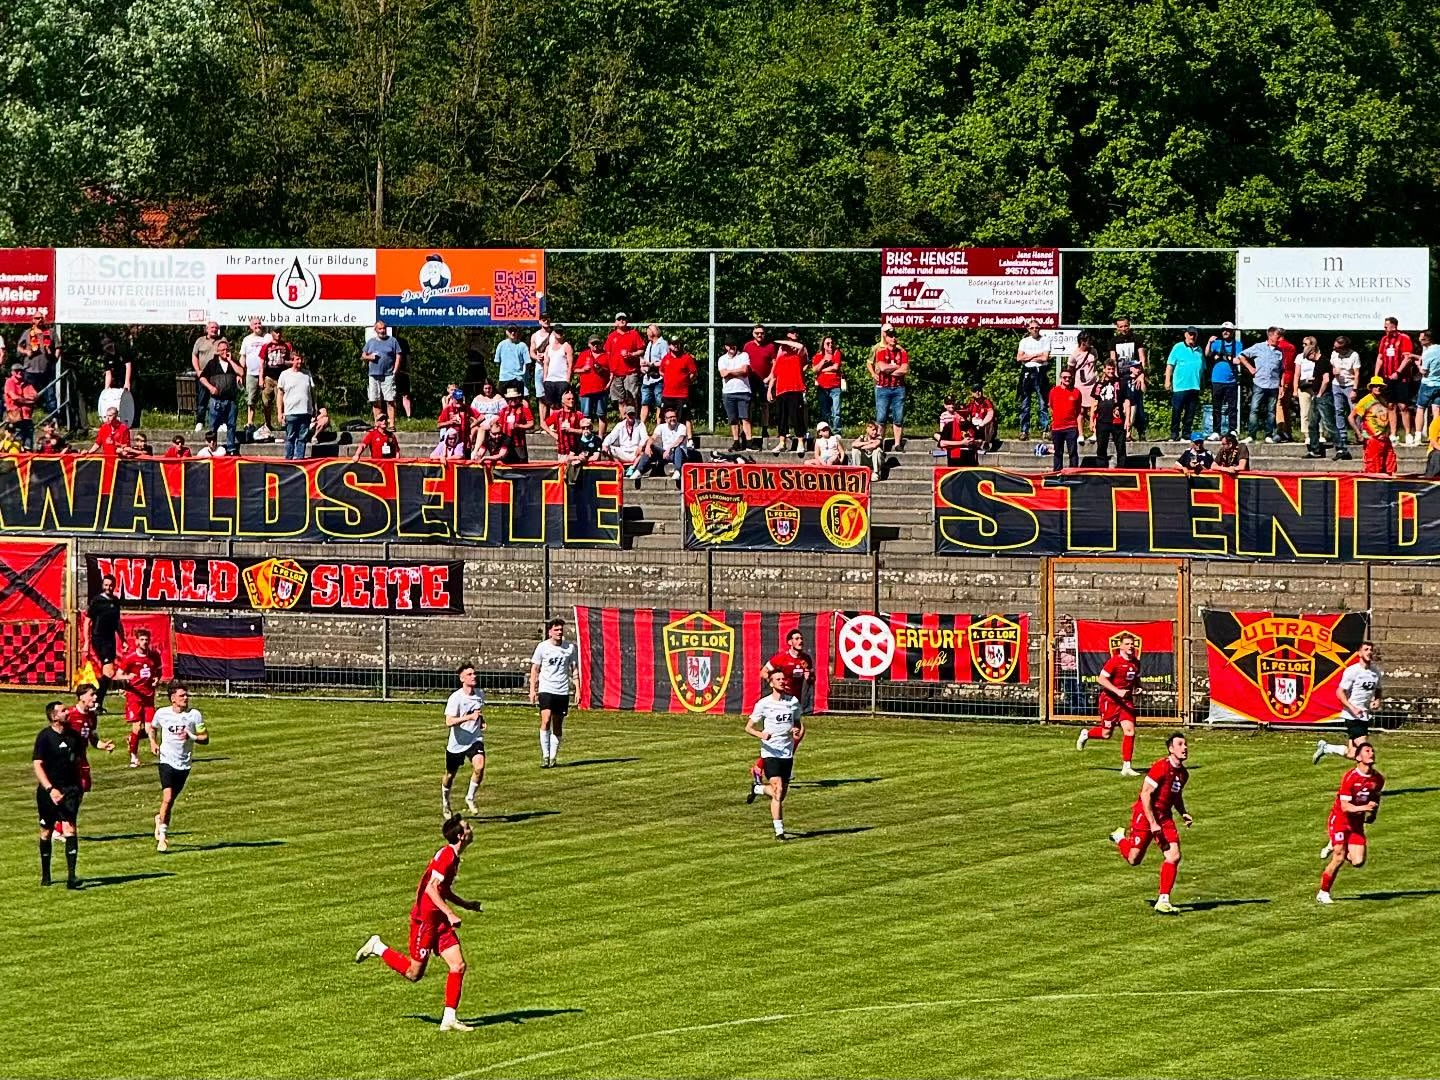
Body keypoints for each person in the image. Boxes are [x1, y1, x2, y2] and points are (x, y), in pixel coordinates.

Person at [354, 815, 483, 1033]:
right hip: (425, 921)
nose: (471, 830)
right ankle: (377, 947)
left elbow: (443, 890)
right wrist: (451, 914)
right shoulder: (447, 857)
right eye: (468, 827)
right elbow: (431, 889)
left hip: (438, 921)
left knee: (458, 965)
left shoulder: (452, 856)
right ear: (461, 836)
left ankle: (449, 1018)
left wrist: (466, 905)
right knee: (414, 974)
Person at [1110, 732, 1192, 914]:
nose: (1184, 748)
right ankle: (1119, 837)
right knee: (1134, 859)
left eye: (1185, 744)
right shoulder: (1160, 767)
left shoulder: (1183, 774)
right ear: (1171, 749)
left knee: (1174, 856)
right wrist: (1152, 823)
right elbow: (1145, 794)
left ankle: (1163, 900)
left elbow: (1175, 795)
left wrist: (1183, 813)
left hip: (1164, 817)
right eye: (1180, 744)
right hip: (1145, 815)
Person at [1316, 742, 1384, 904]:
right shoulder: (1350, 777)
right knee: (1338, 857)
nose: (1371, 753)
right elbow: (1345, 807)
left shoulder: (1378, 779)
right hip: (1339, 820)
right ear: (1359, 757)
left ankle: (1336, 844)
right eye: (1367, 751)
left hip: (1356, 824)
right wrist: (1365, 807)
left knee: (1358, 862)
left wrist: (1373, 813)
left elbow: (1375, 796)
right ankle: (1323, 892)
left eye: (1372, 750)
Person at [744, 669, 805, 840]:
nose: (782, 681)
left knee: (781, 794)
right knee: (777, 791)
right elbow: (748, 727)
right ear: (771, 683)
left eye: (783, 679)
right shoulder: (764, 704)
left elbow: (798, 723)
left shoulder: (793, 702)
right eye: (778, 679)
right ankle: (780, 832)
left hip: (786, 753)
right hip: (770, 752)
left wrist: (795, 730)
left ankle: (758, 788)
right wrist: (761, 735)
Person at [149, 683, 209, 853]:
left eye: (186, 695)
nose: (186, 698)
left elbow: (205, 738)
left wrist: (192, 736)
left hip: (184, 763)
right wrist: (153, 742)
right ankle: (162, 837)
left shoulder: (194, 715)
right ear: (173, 698)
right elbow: (152, 727)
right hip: (166, 760)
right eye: (182, 695)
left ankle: (159, 819)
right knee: (167, 798)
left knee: (170, 801)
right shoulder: (162, 713)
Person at [33, 701, 84, 888]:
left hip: (69, 790)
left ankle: (72, 877)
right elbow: (37, 765)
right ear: (54, 717)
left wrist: (78, 789)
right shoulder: (44, 737)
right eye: (63, 711)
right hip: (48, 792)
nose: (68, 712)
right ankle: (46, 875)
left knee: (70, 828)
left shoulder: (73, 737)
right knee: (46, 831)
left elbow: (78, 761)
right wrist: (50, 789)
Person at [1075, 632, 1140, 776]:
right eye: (1127, 644)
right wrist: (1117, 691)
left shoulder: (1135, 662)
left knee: (1130, 731)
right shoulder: (1114, 662)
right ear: (1121, 646)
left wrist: (1138, 687)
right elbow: (1101, 679)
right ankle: (1086, 734)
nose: (1131, 647)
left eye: (1132, 644)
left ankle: (1126, 766)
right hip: (1110, 701)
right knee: (1106, 734)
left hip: (1126, 702)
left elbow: (1135, 678)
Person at [1314, 641, 1381, 763]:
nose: (1369, 652)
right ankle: (1366, 778)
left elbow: (1378, 689)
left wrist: (1377, 700)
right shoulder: (1352, 671)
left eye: (1371, 650)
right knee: (1365, 750)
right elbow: (1340, 692)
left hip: (1364, 715)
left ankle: (1326, 748)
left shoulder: (1375, 672)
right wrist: (1352, 708)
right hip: (1352, 716)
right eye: (1366, 649)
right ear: (1359, 653)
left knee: (1353, 754)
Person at [530, 617, 579, 768]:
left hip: (562, 690)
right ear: (550, 632)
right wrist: (533, 690)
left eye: (561, 630)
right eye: (556, 630)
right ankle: (545, 756)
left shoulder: (570, 648)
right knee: (545, 720)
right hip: (546, 689)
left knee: (557, 725)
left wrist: (578, 689)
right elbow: (535, 669)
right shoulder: (542, 647)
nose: (559, 632)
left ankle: (553, 757)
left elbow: (574, 669)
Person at [442, 664, 486, 819]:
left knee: (479, 767)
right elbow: (449, 721)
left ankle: (470, 797)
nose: (473, 676)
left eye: (474, 674)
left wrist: (481, 721)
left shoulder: (480, 694)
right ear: (462, 679)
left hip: (474, 739)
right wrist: (469, 718)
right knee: (449, 775)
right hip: (457, 744)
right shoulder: (456, 698)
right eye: (469, 674)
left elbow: (477, 714)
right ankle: (446, 803)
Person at [115, 627, 162, 768]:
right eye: (142, 639)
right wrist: (126, 677)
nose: (145, 642)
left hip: (148, 696)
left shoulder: (154, 655)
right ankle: (134, 756)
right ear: (136, 641)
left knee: (151, 727)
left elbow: (158, 672)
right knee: (137, 727)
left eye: (147, 640)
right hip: (134, 696)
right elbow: (118, 675)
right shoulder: (130, 658)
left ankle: (136, 740)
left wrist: (156, 680)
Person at [65, 683, 115, 807]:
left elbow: (92, 737)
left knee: (81, 792)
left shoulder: (91, 716)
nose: (95, 698)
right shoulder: (69, 715)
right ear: (81, 697)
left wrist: (101, 745)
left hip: (82, 760)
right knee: (68, 794)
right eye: (91, 695)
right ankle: (62, 824)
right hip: (68, 761)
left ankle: (68, 822)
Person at [1239, 327, 1286, 443]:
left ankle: (1268, 435)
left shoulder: (1280, 352)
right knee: (1255, 409)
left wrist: (1282, 385)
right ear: (1270, 336)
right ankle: (1251, 435)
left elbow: (1282, 370)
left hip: (1273, 385)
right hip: (1259, 383)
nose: (1279, 339)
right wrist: (1250, 368)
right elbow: (1241, 355)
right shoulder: (1258, 347)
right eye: (1277, 336)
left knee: (1271, 411)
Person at [1376, 316, 1417, 445]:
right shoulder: (1384, 340)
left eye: (1386, 327)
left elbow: (1408, 358)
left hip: (1401, 378)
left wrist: (1398, 372)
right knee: (1390, 405)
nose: (1385, 329)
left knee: (1403, 405)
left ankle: (1408, 433)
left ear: (1393, 326)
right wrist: (1376, 375)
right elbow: (1380, 357)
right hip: (1388, 377)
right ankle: (1393, 434)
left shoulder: (1404, 338)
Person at [768, 329, 809, 454]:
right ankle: (782, 443)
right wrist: (770, 390)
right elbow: (774, 376)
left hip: (795, 389)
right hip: (781, 390)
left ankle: (801, 443)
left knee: (796, 416)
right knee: (782, 418)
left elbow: (801, 346)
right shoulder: (781, 359)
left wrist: (785, 341)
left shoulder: (798, 356)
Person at [86, 574, 123, 712]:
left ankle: (94, 702)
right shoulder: (96, 601)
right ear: (103, 585)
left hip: (110, 639)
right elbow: (87, 621)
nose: (109, 587)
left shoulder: (116, 601)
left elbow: (118, 623)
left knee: (107, 673)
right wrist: (86, 642)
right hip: (99, 638)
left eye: (111, 585)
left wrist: (123, 639)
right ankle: (94, 701)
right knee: (109, 671)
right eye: (106, 585)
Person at [634, 407, 696, 489]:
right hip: (665, 454)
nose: (672, 419)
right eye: (670, 417)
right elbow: (652, 438)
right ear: (665, 419)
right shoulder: (661, 427)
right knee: (650, 448)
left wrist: (669, 449)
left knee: (677, 448)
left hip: (679, 455)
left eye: (674, 416)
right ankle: (639, 471)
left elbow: (680, 440)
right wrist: (648, 446)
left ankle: (678, 471)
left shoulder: (682, 427)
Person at [869, 326, 909, 450]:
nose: (893, 338)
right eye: (890, 336)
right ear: (886, 337)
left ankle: (897, 444)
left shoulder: (902, 352)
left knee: (898, 417)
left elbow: (905, 369)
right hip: (883, 388)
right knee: (881, 417)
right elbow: (881, 367)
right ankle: (879, 442)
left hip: (898, 388)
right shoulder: (880, 351)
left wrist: (890, 369)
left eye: (894, 335)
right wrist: (896, 367)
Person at [200, 338, 242, 454]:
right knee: (213, 426)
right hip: (216, 400)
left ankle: (231, 448)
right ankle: (212, 448)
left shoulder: (233, 362)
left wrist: (231, 361)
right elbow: (202, 377)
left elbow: (241, 372)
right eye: (222, 350)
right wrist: (210, 387)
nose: (225, 352)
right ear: (218, 351)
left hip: (231, 400)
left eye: (227, 349)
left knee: (231, 425)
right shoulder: (212, 363)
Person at [1295, 337, 1334, 459]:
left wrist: (1320, 393)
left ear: (1313, 348)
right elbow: (1297, 373)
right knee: (1309, 418)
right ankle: (1313, 446)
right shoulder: (1303, 358)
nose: (1303, 346)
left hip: (1319, 393)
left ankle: (1341, 447)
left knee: (1327, 422)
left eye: (1306, 344)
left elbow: (1326, 379)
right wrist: (1296, 388)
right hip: (1307, 388)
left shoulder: (1322, 361)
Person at [761, 630, 815, 713]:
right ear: (790, 642)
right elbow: (763, 672)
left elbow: (812, 678)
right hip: (783, 697)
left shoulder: (806, 658)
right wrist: (773, 683)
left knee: (796, 723)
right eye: (797, 639)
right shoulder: (781, 658)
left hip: (798, 698)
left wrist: (809, 678)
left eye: (801, 639)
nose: (800, 641)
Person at [1205, 322, 1243, 439]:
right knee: (1217, 406)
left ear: (1232, 332)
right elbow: (1207, 354)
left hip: (1231, 380)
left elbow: (1238, 359)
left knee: (1232, 407)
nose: (1225, 332)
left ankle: (1232, 430)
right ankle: (1216, 431)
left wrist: (1225, 357)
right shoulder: (1216, 343)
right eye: (1223, 330)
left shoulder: (1237, 345)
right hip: (1217, 380)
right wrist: (1209, 342)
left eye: (1227, 330)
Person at [276, 350, 316, 460]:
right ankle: (289, 459)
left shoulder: (307, 374)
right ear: (292, 360)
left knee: (302, 438)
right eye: (298, 359)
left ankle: (300, 459)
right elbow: (280, 394)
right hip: (291, 412)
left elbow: (312, 393)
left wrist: (314, 408)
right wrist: (280, 412)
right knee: (290, 437)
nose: (300, 361)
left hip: (305, 412)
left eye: (301, 359)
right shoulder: (285, 375)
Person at [1165, 328, 1203, 442]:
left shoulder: (1199, 350)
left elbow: (1202, 369)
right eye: (1190, 334)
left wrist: (1203, 384)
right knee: (1177, 411)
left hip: (1195, 386)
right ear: (1185, 335)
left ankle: (1186, 434)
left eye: (1194, 334)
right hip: (1180, 386)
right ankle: (1174, 434)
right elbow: (1170, 365)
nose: (1192, 337)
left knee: (1190, 412)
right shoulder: (1178, 347)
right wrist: (1167, 380)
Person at [1092, 360, 1132, 468]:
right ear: (1104, 369)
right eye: (1108, 369)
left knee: (1120, 447)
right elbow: (1094, 402)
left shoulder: (1121, 382)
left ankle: (1122, 469)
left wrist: (1128, 419)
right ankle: (1101, 469)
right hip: (1102, 420)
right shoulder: (1099, 384)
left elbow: (1127, 401)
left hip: (1117, 419)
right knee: (1101, 447)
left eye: (1112, 369)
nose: (1111, 371)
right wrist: (1092, 420)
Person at [362, 320, 403, 426]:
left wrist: (395, 370)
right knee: (375, 400)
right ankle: (378, 424)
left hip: (388, 374)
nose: (382, 330)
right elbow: (363, 355)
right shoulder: (371, 342)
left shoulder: (392, 341)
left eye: (384, 328)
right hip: (373, 375)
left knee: (390, 399)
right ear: (376, 330)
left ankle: (392, 424)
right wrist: (370, 357)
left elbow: (398, 355)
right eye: (380, 329)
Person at [1016, 320, 1051, 439]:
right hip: (1027, 372)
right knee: (1025, 404)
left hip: (1040, 372)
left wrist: (1029, 357)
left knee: (1042, 403)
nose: (1034, 330)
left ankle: (1045, 429)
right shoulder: (1024, 341)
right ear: (1028, 329)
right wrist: (1036, 355)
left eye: (1036, 327)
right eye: (1032, 328)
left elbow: (1045, 357)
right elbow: (1019, 357)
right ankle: (1024, 430)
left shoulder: (1045, 340)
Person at [1353, 377, 1396, 475]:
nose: (1378, 388)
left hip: (1385, 438)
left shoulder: (1383, 399)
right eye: (1375, 386)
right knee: (1374, 467)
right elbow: (1351, 417)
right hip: (1373, 439)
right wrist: (1359, 433)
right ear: (1371, 388)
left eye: (1380, 386)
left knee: (1390, 465)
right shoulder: (1365, 401)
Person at [743, 323, 778, 441]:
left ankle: (764, 429)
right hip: (750, 380)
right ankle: (747, 430)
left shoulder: (770, 346)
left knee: (765, 405)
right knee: (749, 405)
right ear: (753, 334)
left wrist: (769, 377)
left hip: (765, 380)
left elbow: (775, 363)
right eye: (757, 333)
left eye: (762, 333)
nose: (759, 335)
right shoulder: (747, 346)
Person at [257, 328, 295, 439]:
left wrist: (287, 363)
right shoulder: (266, 346)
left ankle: (283, 422)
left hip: (282, 377)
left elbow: (292, 360)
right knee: (267, 401)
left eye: (280, 332)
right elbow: (262, 363)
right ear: (272, 333)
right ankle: (267, 423)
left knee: (283, 402)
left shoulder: (287, 346)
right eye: (276, 332)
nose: (278, 334)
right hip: (269, 377)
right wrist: (261, 378)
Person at [604, 313, 645, 410]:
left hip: (631, 372)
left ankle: (634, 421)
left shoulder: (634, 334)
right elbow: (607, 354)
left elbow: (642, 350)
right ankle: (624, 421)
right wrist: (609, 372)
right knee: (620, 400)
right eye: (619, 319)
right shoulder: (611, 336)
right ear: (615, 322)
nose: (622, 320)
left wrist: (631, 354)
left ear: (627, 321)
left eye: (624, 319)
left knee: (632, 398)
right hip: (616, 372)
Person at [1328, 335, 1360, 460]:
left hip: (1350, 384)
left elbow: (1357, 373)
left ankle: (1359, 434)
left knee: (1355, 411)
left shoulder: (1354, 355)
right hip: (1337, 384)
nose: (1334, 349)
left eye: (1337, 348)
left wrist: (1355, 390)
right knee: (1338, 411)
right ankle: (1342, 436)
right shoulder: (1334, 354)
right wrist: (1333, 371)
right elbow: (1331, 366)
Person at [574, 336, 611, 437]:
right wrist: (583, 370)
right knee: (585, 415)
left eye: (597, 343)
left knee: (602, 415)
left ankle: (600, 437)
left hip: (601, 389)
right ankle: (586, 436)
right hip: (586, 390)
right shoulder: (583, 354)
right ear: (589, 344)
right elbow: (575, 370)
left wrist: (602, 371)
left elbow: (612, 372)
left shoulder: (606, 355)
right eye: (593, 343)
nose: (595, 345)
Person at [190, 321, 223, 434]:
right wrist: (197, 370)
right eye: (212, 327)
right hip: (203, 375)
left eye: (216, 328)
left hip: (218, 375)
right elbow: (194, 356)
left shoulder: (222, 340)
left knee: (219, 400)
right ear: (207, 329)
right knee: (202, 400)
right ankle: (200, 422)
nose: (214, 329)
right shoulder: (200, 341)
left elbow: (227, 355)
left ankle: (220, 423)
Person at [718, 341, 752, 451]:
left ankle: (749, 442)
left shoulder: (744, 355)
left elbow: (745, 371)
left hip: (743, 390)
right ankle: (736, 441)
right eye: (729, 345)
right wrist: (737, 371)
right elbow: (723, 374)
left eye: (734, 344)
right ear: (726, 346)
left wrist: (730, 372)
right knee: (733, 419)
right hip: (728, 392)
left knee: (745, 417)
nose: (732, 347)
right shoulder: (722, 359)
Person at [660, 336, 697, 436]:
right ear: (669, 345)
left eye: (677, 343)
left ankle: (689, 439)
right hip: (667, 394)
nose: (676, 346)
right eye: (673, 343)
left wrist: (687, 382)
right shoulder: (666, 358)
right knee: (663, 416)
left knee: (685, 417)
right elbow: (661, 371)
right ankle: (664, 437)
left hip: (682, 394)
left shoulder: (686, 358)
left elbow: (693, 372)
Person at [539, 325, 574, 429]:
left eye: (561, 332)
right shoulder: (548, 348)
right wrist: (545, 378)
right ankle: (552, 425)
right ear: (553, 333)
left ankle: (561, 424)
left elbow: (570, 363)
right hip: (550, 380)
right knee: (551, 404)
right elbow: (546, 363)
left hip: (562, 380)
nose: (559, 334)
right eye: (557, 332)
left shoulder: (566, 346)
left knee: (562, 404)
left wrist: (568, 379)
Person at [1048, 366, 1082, 470]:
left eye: (1069, 377)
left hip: (1071, 427)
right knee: (1058, 452)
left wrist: (1080, 431)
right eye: (1065, 377)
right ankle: (1057, 474)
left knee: (1073, 452)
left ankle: (1074, 474)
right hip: (1057, 427)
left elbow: (1078, 411)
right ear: (1060, 378)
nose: (1067, 379)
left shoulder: (1076, 392)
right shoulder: (1054, 391)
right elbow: (1051, 406)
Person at [1070, 331, 1099, 443]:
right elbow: (1071, 369)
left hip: (1092, 384)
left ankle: (1094, 432)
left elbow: (1094, 364)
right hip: (1080, 385)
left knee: (1094, 409)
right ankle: (1081, 434)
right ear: (1082, 341)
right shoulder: (1075, 354)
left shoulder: (1093, 351)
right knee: (1080, 410)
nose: (1090, 343)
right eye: (1088, 341)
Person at [240, 317, 268, 432]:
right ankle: (250, 422)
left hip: (265, 374)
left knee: (266, 400)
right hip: (251, 374)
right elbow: (243, 356)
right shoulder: (246, 340)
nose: (258, 326)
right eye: (255, 324)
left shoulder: (266, 339)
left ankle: (268, 423)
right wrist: (240, 373)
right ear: (251, 327)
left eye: (259, 323)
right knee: (251, 400)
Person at [638, 323, 668, 427]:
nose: (647, 331)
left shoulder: (663, 344)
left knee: (659, 403)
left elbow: (665, 361)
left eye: (649, 329)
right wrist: (643, 367)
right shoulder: (649, 344)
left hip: (658, 379)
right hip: (647, 378)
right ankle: (642, 427)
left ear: (654, 332)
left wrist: (652, 364)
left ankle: (659, 427)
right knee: (644, 402)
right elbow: (646, 359)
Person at [811, 335, 843, 430]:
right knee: (824, 411)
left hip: (835, 387)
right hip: (822, 387)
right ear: (823, 345)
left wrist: (823, 370)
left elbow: (836, 367)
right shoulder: (818, 356)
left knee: (836, 411)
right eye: (827, 343)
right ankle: (825, 431)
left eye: (831, 343)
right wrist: (823, 361)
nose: (830, 345)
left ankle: (836, 431)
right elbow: (814, 369)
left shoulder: (836, 353)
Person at [602, 405, 646, 472]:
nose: (631, 416)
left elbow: (644, 437)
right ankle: (620, 467)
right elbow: (611, 436)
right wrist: (605, 445)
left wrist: (640, 446)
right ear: (625, 415)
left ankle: (632, 467)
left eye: (633, 414)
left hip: (635, 452)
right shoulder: (620, 425)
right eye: (629, 414)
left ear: (635, 414)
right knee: (608, 448)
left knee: (646, 449)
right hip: (623, 451)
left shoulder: (640, 424)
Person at [1412, 329, 1440, 433]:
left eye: (1422, 338)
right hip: (1439, 384)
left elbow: (1424, 371)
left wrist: (1418, 364)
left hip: (1428, 384)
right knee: (1436, 410)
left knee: (1420, 408)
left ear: (1427, 339)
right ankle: (1436, 435)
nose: (1420, 340)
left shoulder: (1428, 353)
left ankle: (1418, 436)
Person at [4, 362, 36, 450]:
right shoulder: (9, 382)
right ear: (12, 372)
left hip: (27, 415)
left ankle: (28, 452)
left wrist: (22, 399)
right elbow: (14, 398)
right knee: (17, 438)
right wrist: (28, 400)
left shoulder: (27, 383)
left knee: (29, 436)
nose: (20, 373)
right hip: (15, 416)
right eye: (17, 371)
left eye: (21, 371)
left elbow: (35, 396)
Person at [494, 325, 530, 396]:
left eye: (514, 331)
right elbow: (497, 362)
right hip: (504, 378)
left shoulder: (522, 345)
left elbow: (527, 363)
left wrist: (523, 376)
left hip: (518, 378)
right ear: (507, 332)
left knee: (520, 401)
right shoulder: (501, 345)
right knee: (501, 401)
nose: (513, 333)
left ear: (517, 332)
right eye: (510, 331)